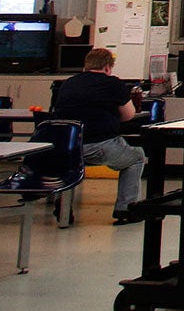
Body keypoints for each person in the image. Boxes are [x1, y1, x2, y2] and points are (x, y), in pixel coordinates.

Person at [51, 47, 148, 224]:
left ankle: (62, 204)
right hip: (99, 144)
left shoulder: (68, 84)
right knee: (136, 157)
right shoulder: (113, 84)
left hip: (67, 146)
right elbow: (128, 115)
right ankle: (126, 209)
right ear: (107, 67)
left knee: (70, 166)